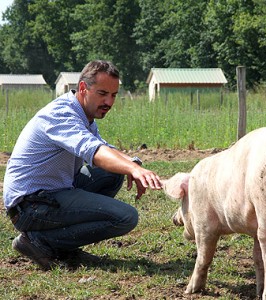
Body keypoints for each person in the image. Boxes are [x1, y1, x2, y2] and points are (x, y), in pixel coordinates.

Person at [3, 60, 162, 270]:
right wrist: (134, 169)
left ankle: (61, 245)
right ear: (83, 89)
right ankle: (41, 242)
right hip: (31, 205)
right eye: (102, 93)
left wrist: (131, 163)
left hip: (51, 193)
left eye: (113, 95)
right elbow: (93, 151)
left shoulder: (84, 115)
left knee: (112, 173)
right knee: (125, 217)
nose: (109, 102)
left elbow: (102, 146)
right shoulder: (61, 114)